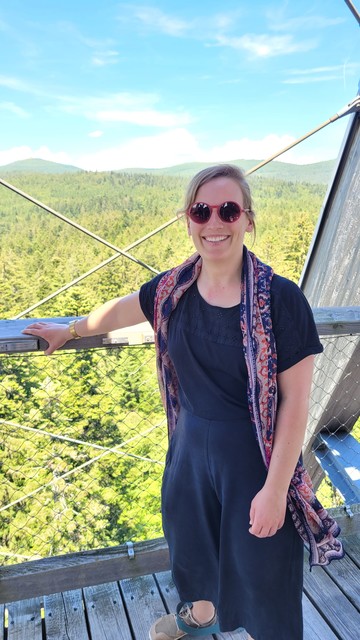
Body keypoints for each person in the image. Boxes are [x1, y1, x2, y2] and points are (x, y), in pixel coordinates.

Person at [23, 164, 343, 640]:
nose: (214, 222)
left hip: (254, 461)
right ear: (188, 219)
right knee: (194, 551)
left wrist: (276, 491)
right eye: (201, 210)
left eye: (228, 210)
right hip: (189, 452)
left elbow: (295, 403)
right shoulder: (175, 288)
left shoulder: (280, 299)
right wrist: (68, 330)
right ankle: (202, 618)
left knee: (263, 569)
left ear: (247, 220)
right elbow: (122, 308)